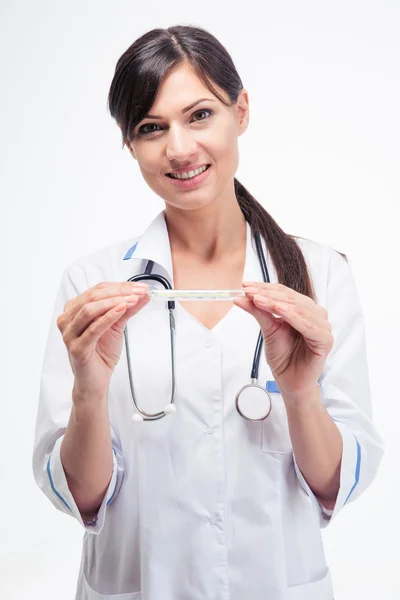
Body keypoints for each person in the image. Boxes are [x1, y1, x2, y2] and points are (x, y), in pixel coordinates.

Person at [32, 24, 384, 600]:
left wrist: (300, 395)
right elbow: (83, 499)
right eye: (151, 128)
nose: (178, 148)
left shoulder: (319, 276)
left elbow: (335, 487)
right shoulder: (93, 286)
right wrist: (89, 394)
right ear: (130, 144)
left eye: (199, 115)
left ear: (240, 111)